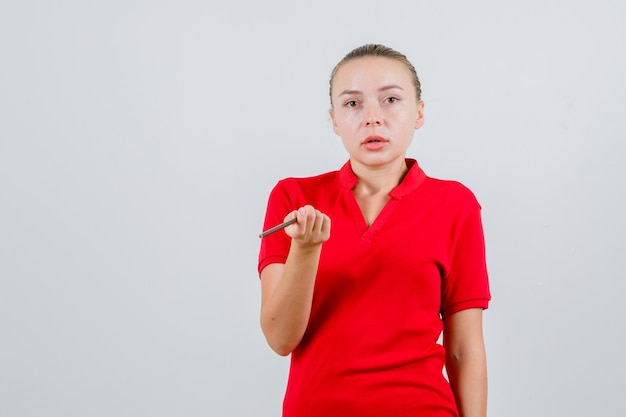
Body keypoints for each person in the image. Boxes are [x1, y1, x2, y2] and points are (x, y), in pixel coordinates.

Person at [257, 44, 491, 417]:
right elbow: (280, 338)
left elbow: (464, 348)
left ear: (419, 113)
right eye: (352, 104)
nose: (372, 118)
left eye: (391, 100)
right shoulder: (294, 198)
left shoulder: (455, 204)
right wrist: (305, 250)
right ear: (334, 120)